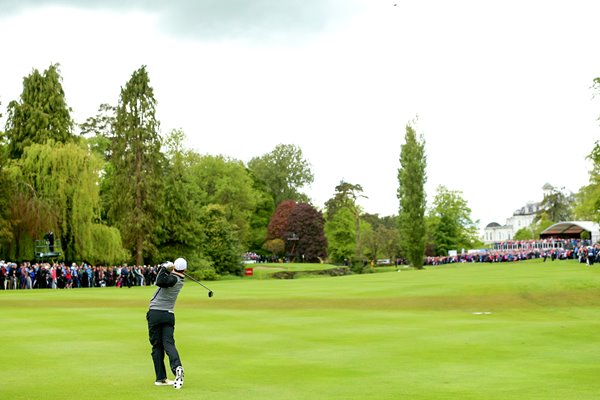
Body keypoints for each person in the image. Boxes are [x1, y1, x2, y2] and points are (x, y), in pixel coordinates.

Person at [146, 258, 186, 389]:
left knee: (157, 346)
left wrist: (164, 268)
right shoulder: (179, 280)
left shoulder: (173, 279)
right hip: (169, 314)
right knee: (168, 343)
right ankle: (177, 367)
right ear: (184, 269)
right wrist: (164, 268)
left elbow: (159, 281)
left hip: (156, 313)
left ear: (175, 267)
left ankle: (161, 378)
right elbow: (161, 277)